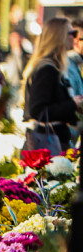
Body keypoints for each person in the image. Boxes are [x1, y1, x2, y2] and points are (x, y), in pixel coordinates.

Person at [22, 17, 83, 153]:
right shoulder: (48, 69)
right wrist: (73, 104)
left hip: (55, 139)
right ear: (59, 37)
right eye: (72, 34)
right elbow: (37, 109)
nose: (75, 38)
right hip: (48, 143)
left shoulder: (55, 66)